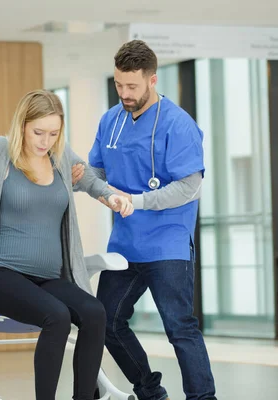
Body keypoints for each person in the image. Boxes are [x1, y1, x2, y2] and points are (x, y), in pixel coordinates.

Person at [0, 90, 134, 400]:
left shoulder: (62, 158)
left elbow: (91, 181)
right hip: (2, 275)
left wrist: (114, 198)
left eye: (53, 133)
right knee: (57, 316)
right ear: (22, 124)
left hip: (49, 277)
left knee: (94, 312)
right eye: (38, 132)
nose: (45, 140)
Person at [86, 40, 215, 400]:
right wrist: (103, 193)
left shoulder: (178, 124)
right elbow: (93, 172)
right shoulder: (111, 120)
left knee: (179, 327)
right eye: (118, 85)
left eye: (132, 86)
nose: (124, 94)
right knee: (106, 321)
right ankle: (149, 390)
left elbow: (190, 187)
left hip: (167, 243)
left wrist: (137, 201)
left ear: (152, 80)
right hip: (125, 245)